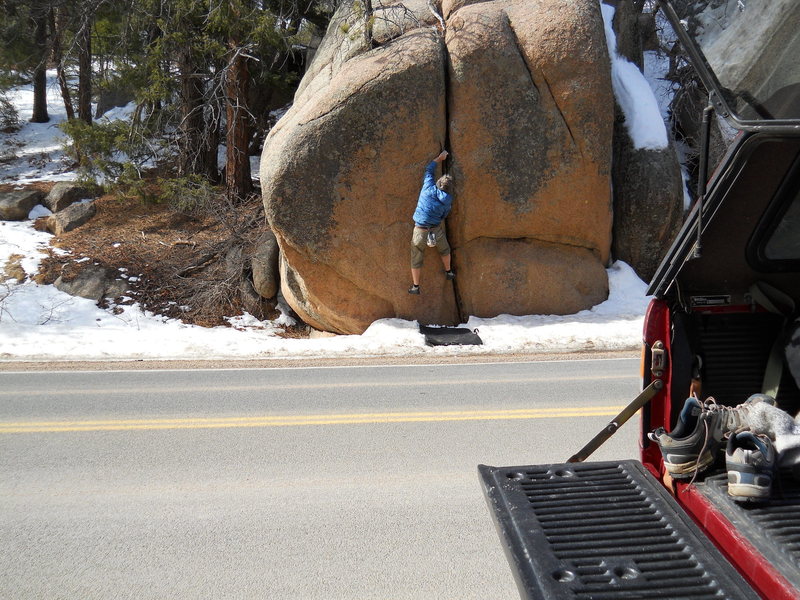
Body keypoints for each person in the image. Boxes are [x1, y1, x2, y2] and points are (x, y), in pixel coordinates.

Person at [408, 151, 455, 295]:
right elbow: (444, 215)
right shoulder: (447, 200)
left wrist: (439, 159)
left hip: (420, 229)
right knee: (445, 250)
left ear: (438, 183)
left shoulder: (428, 187)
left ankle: (416, 286)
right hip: (435, 229)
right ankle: (448, 272)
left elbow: (429, 170)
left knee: (416, 256)